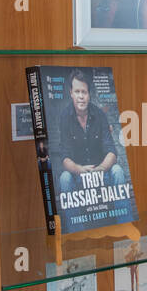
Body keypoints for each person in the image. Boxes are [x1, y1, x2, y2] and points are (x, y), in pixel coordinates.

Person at [56, 68, 126, 196]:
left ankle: (125, 216)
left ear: (89, 94)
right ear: (71, 93)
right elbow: (64, 158)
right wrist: (80, 170)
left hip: (101, 174)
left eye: (84, 92)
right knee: (64, 178)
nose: (81, 96)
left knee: (118, 171)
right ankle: (74, 217)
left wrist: (100, 169)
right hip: (78, 177)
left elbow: (112, 152)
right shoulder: (64, 117)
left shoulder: (100, 115)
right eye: (77, 91)